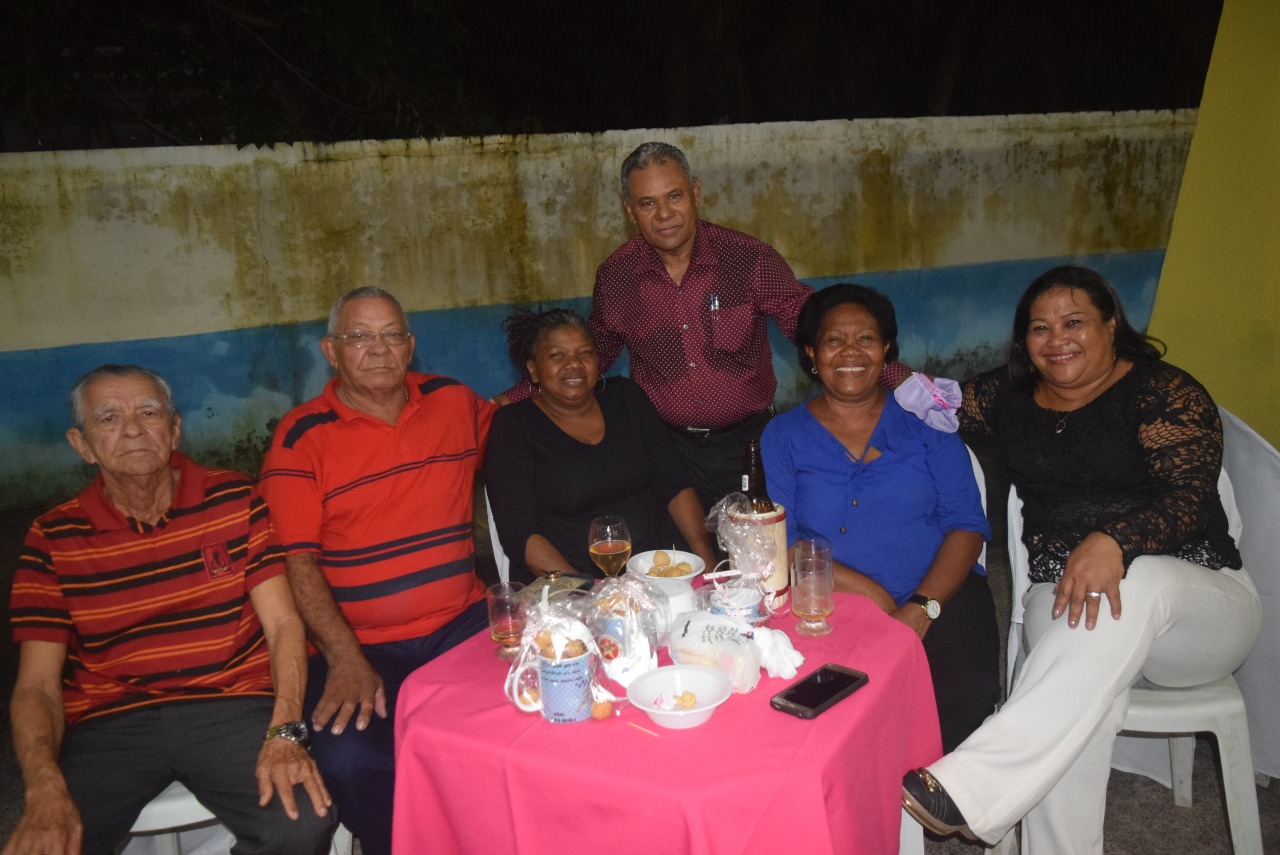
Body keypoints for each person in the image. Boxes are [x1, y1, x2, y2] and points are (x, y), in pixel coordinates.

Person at [900, 266, 1261, 853]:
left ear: (1111, 325)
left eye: (1074, 322)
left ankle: (977, 781)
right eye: (1039, 328)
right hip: (1072, 608)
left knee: (1137, 581)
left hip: (1196, 614)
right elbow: (928, 401)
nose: (1056, 340)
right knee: (1076, 701)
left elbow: (1190, 499)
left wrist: (1113, 541)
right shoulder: (1009, 400)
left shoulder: (1163, 392)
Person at [6, 365, 333, 855]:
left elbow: (284, 624)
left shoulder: (233, 498)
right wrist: (42, 786)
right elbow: (36, 687)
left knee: (301, 824)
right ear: (82, 444)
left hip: (230, 706)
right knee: (49, 843)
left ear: (175, 429)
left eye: (148, 413)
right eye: (109, 418)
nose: (132, 430)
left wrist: (286, 731)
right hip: (111, 722)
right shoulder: (52, 537)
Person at [258, 287, 494, 855]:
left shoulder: (453, 402)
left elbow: (525, 429)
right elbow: (296, 562)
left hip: (462, 623)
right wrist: (344, 656)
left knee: (532, 703)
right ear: (331, 351)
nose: (379, 349)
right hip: (360, 644)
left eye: (391, 335)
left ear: (410, 345)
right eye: (360, 337)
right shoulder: (300, 439)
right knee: (349, 755)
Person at [498, 141, 815, 511]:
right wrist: (513, 399)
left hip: (751, 443)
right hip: (664, 451)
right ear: (630, 211)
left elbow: (810, 324)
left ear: (695, 192)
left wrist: (870, 368)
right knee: (677, 547)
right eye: (647, 203)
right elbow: (591, 354)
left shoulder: (748, 258)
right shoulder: (616, 277)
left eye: (674, 196)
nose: (664, 214)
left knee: (757, 545)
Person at [760, 284, 999, 752]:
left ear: (886, 348)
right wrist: (876, 598)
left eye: (866, 339)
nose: (850, 352)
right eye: (834, 340)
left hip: (941, 591)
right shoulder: (782, 435)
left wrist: (921, 608)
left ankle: (938, 787)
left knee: (960, 708)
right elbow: (783, 542)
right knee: (833, 721)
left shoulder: (927, 419)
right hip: (829, 598)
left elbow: (967, 524)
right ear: (811, 353)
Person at [485, 307, 716, 582]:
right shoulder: (513, 426)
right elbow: (520, 535)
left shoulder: (627, 398)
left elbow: (675, 485)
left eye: (585, 353)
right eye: (557, 355)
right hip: (568, 588)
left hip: (655, 574)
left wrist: (708, 568)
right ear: (533, 369)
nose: (574, 364)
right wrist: (586, 592)